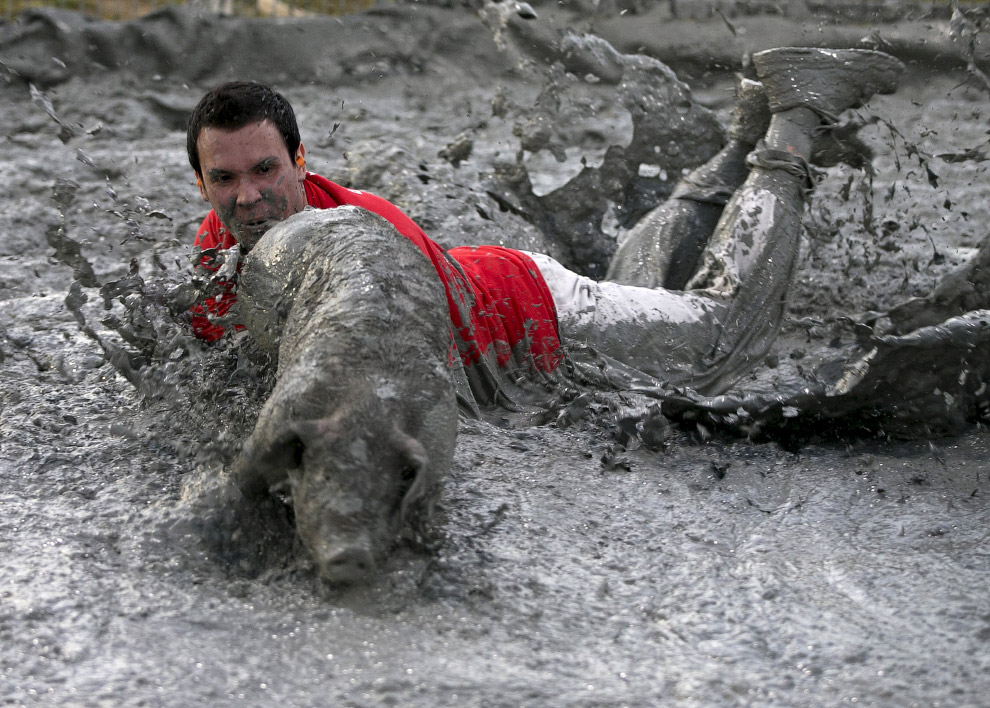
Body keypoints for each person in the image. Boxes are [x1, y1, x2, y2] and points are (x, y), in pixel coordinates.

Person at [186, 47, 905, 406]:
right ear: (202, 182)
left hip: (540, 315)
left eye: (265, 171)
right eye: (225, 179)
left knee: (714, 335)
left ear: (300, 159)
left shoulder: (363, 234)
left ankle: (795, 118)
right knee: (637, 289)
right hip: (501, 286)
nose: (248, 197)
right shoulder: (213, 249)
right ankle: (740, 135)